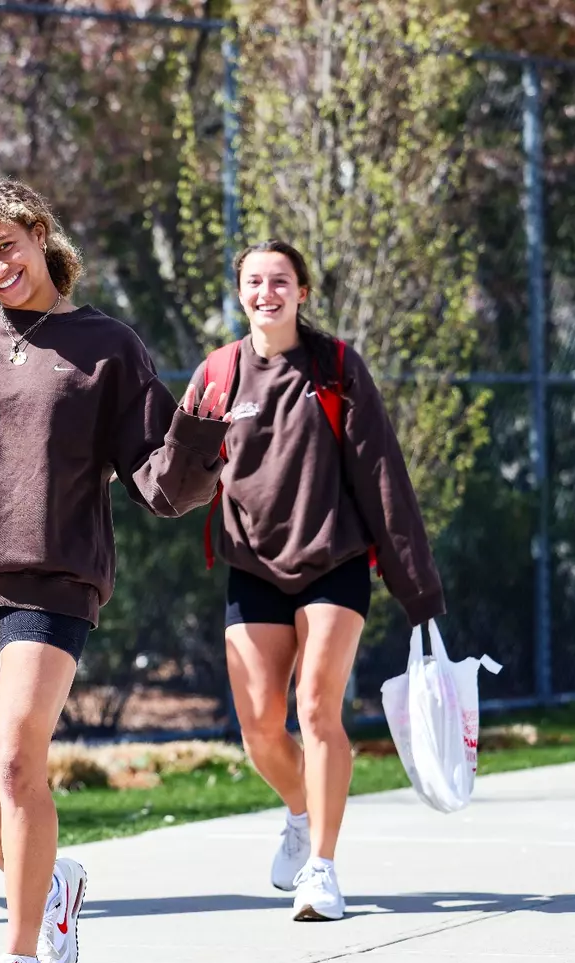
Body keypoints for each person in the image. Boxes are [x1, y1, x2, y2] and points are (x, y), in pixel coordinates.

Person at [0, 178, 231, 963]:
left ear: (39, 233)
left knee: (13, 763)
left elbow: (159, 485)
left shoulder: (107, 345)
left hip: (57, 579)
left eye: (6, 247)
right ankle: (55, 882)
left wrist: (197, 433)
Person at [199, 240, 444, 922]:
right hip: (252, 567)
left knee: (316, 708)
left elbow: (382, 477)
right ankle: (302, 811)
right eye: (254, 281)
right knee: (258, 730)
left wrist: (417, 590)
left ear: (302, 292)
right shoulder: (218, 374)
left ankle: (323, 869)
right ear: (240, 291)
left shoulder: (335, 367)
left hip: (333, 562)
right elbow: (180, 469)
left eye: (280, 280)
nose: (266, 292)